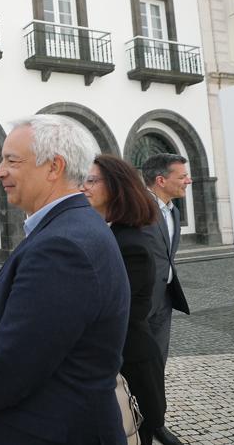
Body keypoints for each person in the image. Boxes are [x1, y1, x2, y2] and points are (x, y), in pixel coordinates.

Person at [0, 115, 130, 444]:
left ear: (54, 167)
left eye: (11, 160)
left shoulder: (63, 245)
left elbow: (18, 358)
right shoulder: (70, 227)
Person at [81, 154, 166, 445]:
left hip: (130, 365)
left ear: (116, 188)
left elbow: (118, 310)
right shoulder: (107, 233)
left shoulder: (129, 245)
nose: (84, 187)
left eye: (92, 180)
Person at [141, 153, 192, 445]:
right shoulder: (136, 209)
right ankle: (133, 423)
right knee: (134, 366)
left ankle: (156, 421)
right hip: (138, 306)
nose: (188, 180)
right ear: (161, 180)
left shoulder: (173, 210)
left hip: (164, 301)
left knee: (158, 364)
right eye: (182, 176)